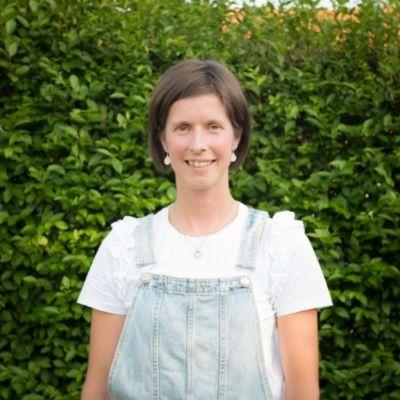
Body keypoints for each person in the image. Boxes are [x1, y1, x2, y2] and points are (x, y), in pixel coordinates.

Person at [78, 59, 333, 400]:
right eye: (182, 127)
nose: (198, 144)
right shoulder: (124, 247)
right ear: (163, 139)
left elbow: (302, 392)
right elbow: (97, 390)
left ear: (236, 137)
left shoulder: (280, 245)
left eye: (214, 126)